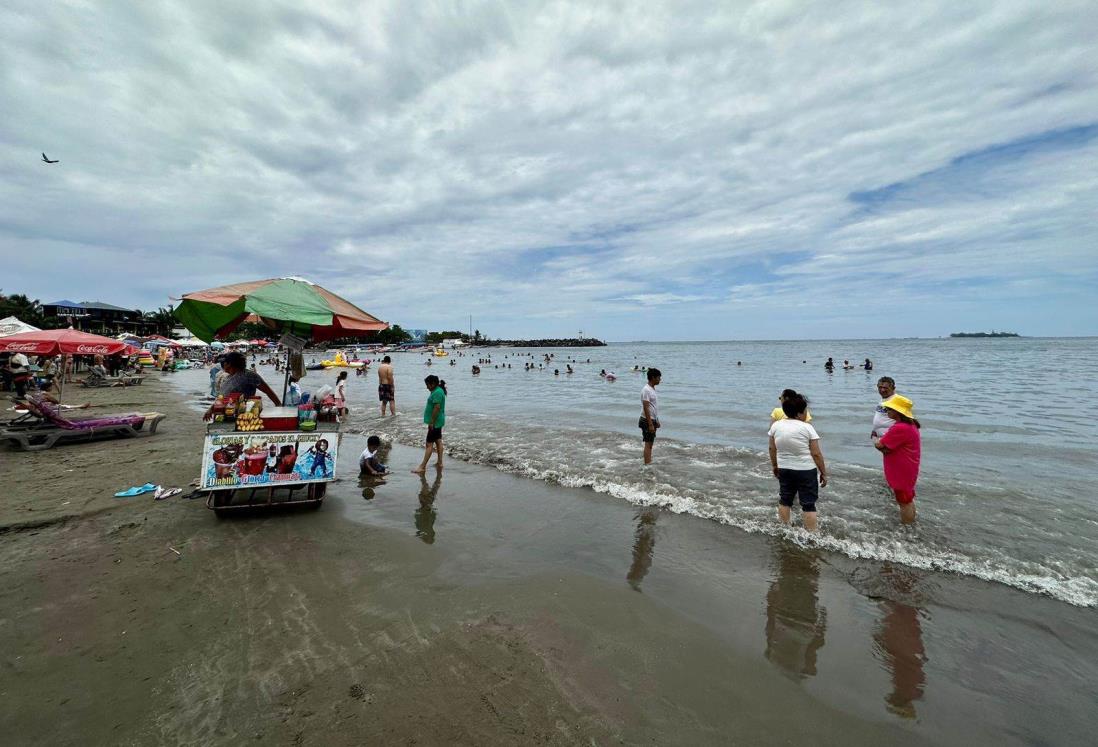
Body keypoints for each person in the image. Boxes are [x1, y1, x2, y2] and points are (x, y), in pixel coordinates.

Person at [767, 392, 827, 532]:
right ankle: (812, 535)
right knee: (808, 504)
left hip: (784, 468)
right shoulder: (807, 428)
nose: (807, 413)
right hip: (805, 470)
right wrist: (823, 472)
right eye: (805, 410)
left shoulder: (776, 426)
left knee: (785, 500)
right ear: (800, 413)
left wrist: (775, 465)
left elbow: (772, 448)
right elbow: (816, 454)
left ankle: (784, 529)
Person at [874, 395, 921, 524]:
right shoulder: (910, 425)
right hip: (908, 466)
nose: (887, 411)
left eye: (889, 409)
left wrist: (875, 438)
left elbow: (879, 444)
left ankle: (907, 527)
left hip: (902, 468)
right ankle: (911, 523)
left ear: (898, 412)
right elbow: (887, 446)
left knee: (903, 500)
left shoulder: (900, 428)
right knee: (907, 498)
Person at [203, 352, 281, 420]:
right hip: (226, 415)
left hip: (245, 415)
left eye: (224, 362)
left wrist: (279, 407)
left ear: (229, 364)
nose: (222, 365)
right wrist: (211, 410)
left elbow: (268, 391)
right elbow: (221, 398)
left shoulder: (249, 375)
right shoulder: (226, 378)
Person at [412, 375, 446, 473]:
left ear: (433, 384)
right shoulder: (437, 391)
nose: (426, 387)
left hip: (435, 422)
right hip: (437, 421)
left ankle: (422, 466)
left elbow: (437, 407)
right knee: (438, 441)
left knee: (429, 444)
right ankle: (440, 463)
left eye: (427, 385)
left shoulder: (437, 392)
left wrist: (431, 421)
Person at [640, 368, 662, 465]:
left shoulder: (652, 389)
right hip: (646, 420)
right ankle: (647, 465)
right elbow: (646, 407)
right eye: (658, 377)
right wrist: (650, 424)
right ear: (653, 377)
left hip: (652, 420)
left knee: (650, 444)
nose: (660, 379)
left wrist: (656, 420)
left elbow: (653, 407)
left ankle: (648, 462)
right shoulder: (646, 390)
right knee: (648, 445)